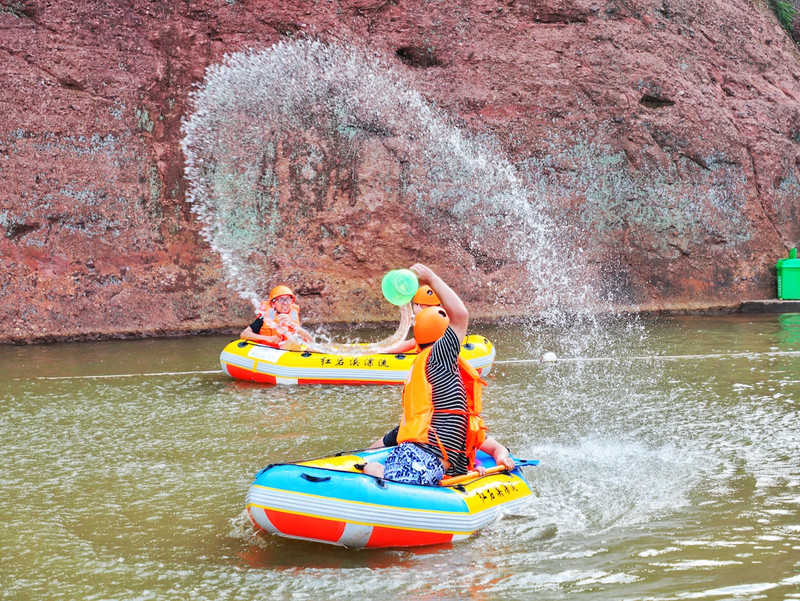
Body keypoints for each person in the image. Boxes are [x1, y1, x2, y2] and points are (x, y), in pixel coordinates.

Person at [363, 264, 514, 485]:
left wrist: (499, 456)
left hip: (423, 454)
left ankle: (373, 468)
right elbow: (461, 315)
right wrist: (431, 277)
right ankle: (372, 469)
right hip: (420, 455)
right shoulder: (439, 356)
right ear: (444, 334)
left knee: (387, 466)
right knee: (392, 475)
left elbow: (489, 445)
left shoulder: (434, 365)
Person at [240, 285, 313, 349]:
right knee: (293, 341)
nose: (285, 303)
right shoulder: (265, 317)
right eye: (281, 300)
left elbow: (310, 339)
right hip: (268, 351)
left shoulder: (293, 317)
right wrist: (266, 338)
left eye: (288, 299)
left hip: (289, 352)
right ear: (273, 303)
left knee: (296, 341)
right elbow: (244, 334)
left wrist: (292, 324)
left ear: (291, 301)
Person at [383, 285, 442, 355]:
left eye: (416, 304)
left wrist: (382, 349)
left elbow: (410, 344)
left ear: (420, 306)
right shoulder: (441, 317)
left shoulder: (428, 324)